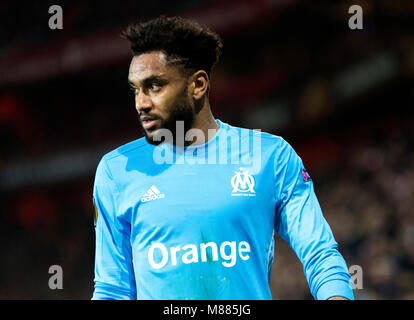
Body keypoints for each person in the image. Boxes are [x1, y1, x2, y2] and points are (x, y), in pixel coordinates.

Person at [92, 16, 354, 300]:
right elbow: (113, 289)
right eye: (136, 89)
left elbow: (320, 255)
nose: (141, 103)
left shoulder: (270, 156)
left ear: (198, 84)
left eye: (155, 86)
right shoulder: (116, 171)